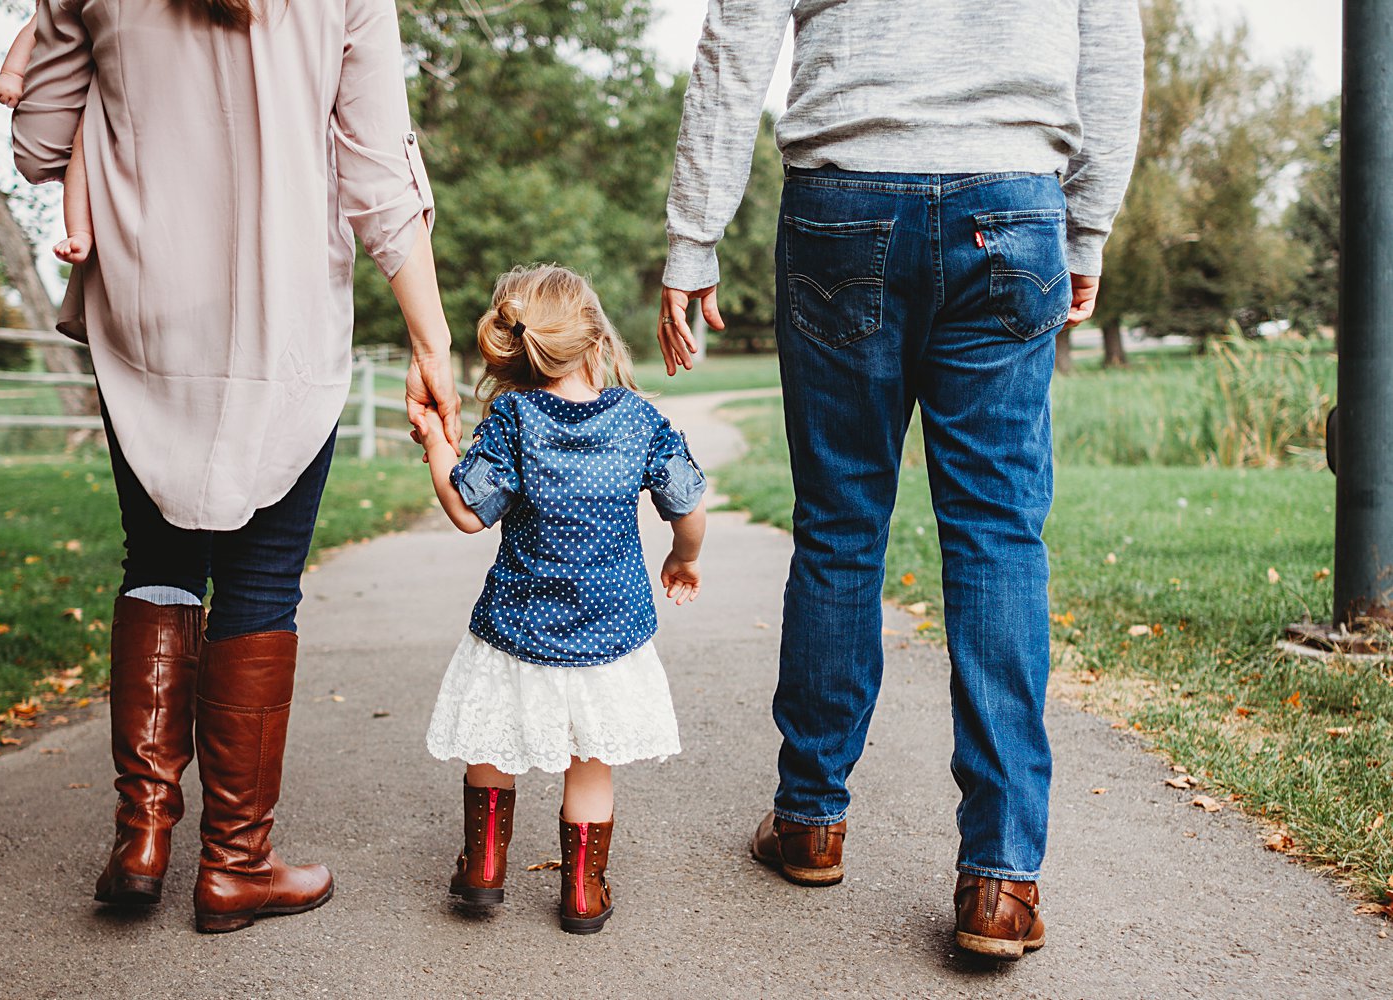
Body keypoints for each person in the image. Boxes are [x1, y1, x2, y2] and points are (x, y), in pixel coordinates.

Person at [658, 0, 1143, 959]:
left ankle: (809, 819)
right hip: (1013, 198)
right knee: (999, 538)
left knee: (841, 526)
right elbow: (1110, 44)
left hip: (847, 196)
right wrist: (1085, 226)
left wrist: (694, 236)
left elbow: (738, 35)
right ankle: (1001, 880)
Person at [11, 0, 461, 934]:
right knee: (260, 585)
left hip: (143, 311)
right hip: (284, 316)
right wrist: (432, 338)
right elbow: (376, 174)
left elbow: (37, 140)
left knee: (159, 566)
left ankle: (142, 838)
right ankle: (235, 864)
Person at [419, 265, 707, 935]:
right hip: (608, 633)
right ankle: (582, 892)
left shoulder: (513, 417)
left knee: (493, 742)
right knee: (590, 760)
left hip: (517, 623)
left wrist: (436, 442)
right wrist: (684, 557)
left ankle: (485, 871)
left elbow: (469, 512)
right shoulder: (639, 420)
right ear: (596, 338)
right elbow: (686, 505)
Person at [0, 10, 92, 265]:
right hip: (68, 101)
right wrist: (12, 73)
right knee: (82, 161)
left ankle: (81, 232)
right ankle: (80, 232)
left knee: (86, 159)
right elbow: (35, 27)